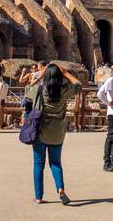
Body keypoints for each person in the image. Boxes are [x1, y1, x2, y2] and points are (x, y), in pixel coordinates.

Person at [26, 63, 82, 204]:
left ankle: (38, 196)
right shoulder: (64, 90)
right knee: (55, 163)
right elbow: (79, 85)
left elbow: (27, 89)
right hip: (57, 132)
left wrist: (41, 74)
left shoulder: (39, 89)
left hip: (40, 131)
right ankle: (60, 188)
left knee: (38, 164)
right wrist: (66, 73)